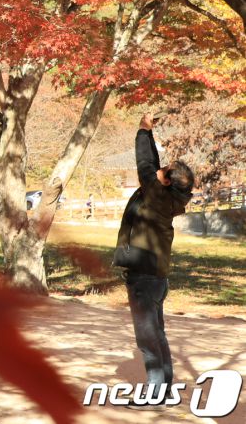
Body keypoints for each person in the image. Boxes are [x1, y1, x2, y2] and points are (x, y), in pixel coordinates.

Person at [114, 112, 194, 406]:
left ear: (166, 182)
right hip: (155, 277)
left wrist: (143, 131)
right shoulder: (168, 199)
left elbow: (145, 166)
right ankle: (165, 386)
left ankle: (155, 391)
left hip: (144, 278)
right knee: (157, 334)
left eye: (167, 170)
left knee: (147, 339)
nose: (162, 170)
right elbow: (152, 170)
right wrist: (148, 133)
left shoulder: (157, 196)